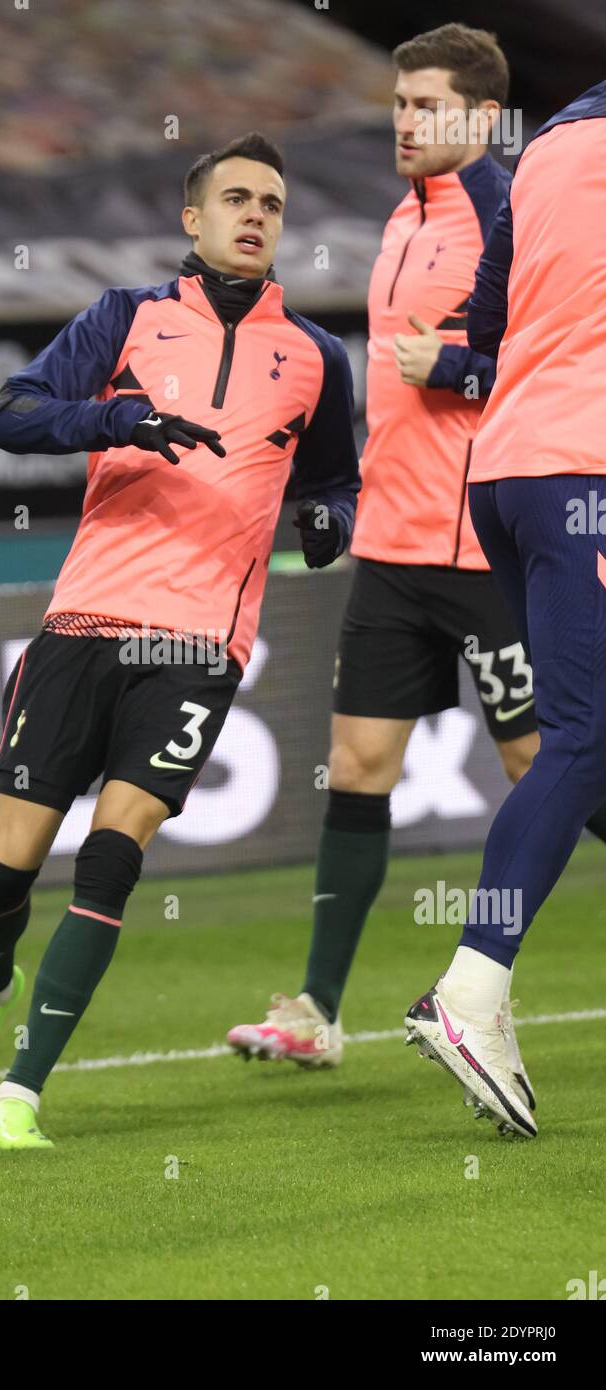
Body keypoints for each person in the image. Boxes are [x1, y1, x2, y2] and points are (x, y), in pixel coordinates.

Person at [0, 132, 360, 1149]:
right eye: (235, 198)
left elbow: (334, 478)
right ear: (191, 218)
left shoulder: (313, 358)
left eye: (272, 204)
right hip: (85, 621)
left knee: (113, 854)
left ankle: (22, 1090)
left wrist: (327, 522)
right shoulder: (123, 318)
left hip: (202, 642)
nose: (255, 215)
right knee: (4, 867)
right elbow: (12, 415)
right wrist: (114, 418)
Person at [229, 27, 545, 1104]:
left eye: (422, 104)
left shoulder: (512, 213)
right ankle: (316, 1011)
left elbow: (555, 359)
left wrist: (453, 362)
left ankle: (477, 991)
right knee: (358, 769)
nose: (402, 120)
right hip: (393, 550)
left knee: (547, 772)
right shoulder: (403, 217)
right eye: (396, 103)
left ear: (477, 115)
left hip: (485, 551)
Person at [404, 77, 606, 1138]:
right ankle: (470, 986)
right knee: (581, 737)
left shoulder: (546, 151)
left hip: (502, 477)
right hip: (584, 474)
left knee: (591, 756)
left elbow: (483, 326)